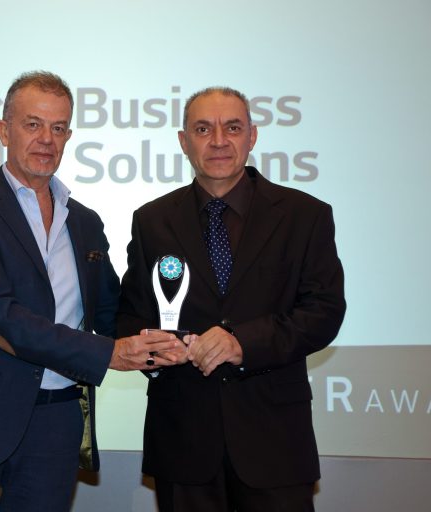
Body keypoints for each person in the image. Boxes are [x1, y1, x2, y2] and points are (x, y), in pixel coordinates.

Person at [0, 71, 183, 512]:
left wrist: (171, 341)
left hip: (57, 421)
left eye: (58, 128)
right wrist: (107, 354)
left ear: (68, 136)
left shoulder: (84, 221)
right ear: (4, 131)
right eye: (32, 124)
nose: (46, 140)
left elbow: (111, 310)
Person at [116, 86, 346, 511]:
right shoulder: (152, 221)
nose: (219, 141)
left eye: (233, 128)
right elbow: (131, 318)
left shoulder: (305, 215)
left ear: (252, 136)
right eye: (203, 129)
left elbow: (323, 312)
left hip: (275, 443)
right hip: (183, 442)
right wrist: (163, 349)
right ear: (184, 141)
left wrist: (241, 342)